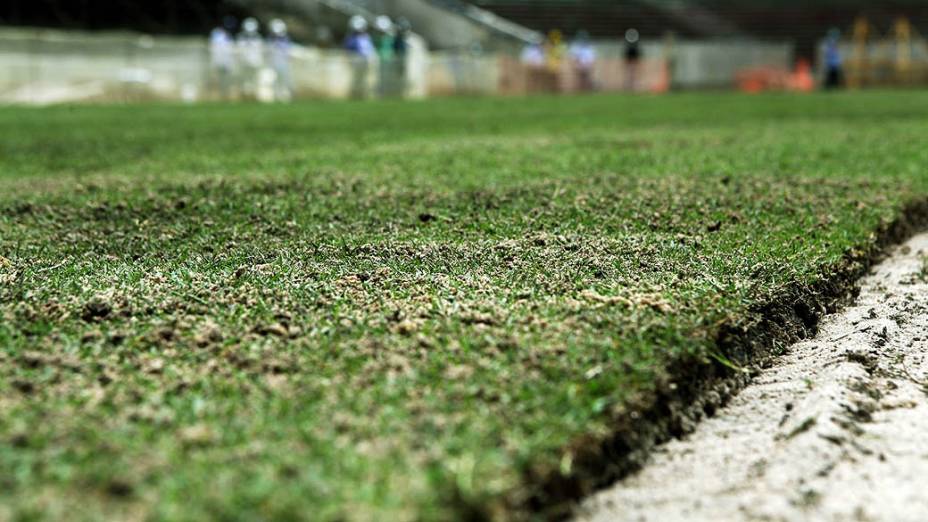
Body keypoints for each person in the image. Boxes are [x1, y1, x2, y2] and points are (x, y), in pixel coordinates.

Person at [344, 15, 375, 99]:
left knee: (367, 81)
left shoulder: (367, 37)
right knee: (356, 82)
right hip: (356, 65)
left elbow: (370, 50)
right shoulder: (351, 39)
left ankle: (365, 95)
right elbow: (348, 50)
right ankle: (356, 95)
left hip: (367, 63)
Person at [237, 17, 265, 100]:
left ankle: (255, 96)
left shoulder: (258, 38)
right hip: (245, 63)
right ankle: (246, 96)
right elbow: (240, 51)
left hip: (255, 63)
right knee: (246, 81)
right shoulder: (241, 38)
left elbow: (260, 51)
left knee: (256, 80)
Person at [209, 17, 236, 99]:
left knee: (227, 80)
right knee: (216, 79)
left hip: (227, 61)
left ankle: (226, 95)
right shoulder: (216, 33)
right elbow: (213, 47)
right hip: (217, 59)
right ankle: (215, 96)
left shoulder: (229, 36)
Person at [268, 19, 292, 102]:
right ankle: (275, 95)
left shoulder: (285, 39)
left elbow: (286, 52)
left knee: (284, 80)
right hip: (273, 63)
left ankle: (285, 96)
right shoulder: (270, 40)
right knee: (274, 80)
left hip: (283, 63)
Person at [374, 15, 397, 97]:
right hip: (379, 61)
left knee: (389, 79)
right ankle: (381, 94)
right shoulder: (377, 38)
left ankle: (388, 93)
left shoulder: (389, 38)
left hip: (389, 60)